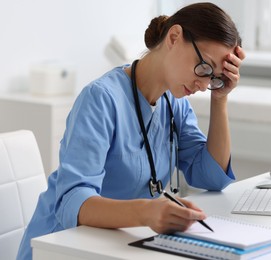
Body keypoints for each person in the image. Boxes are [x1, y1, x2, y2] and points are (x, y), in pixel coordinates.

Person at [17, 2, 245, 259]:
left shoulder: (175, 103)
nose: (204, 85)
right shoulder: (101, 98)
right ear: (173, 37)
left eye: (213, 77)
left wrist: (220, 98)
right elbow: (73, 203)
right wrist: (147, 212)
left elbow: (211, 177)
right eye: (204, 67)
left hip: (117, 245)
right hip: (60, 246)